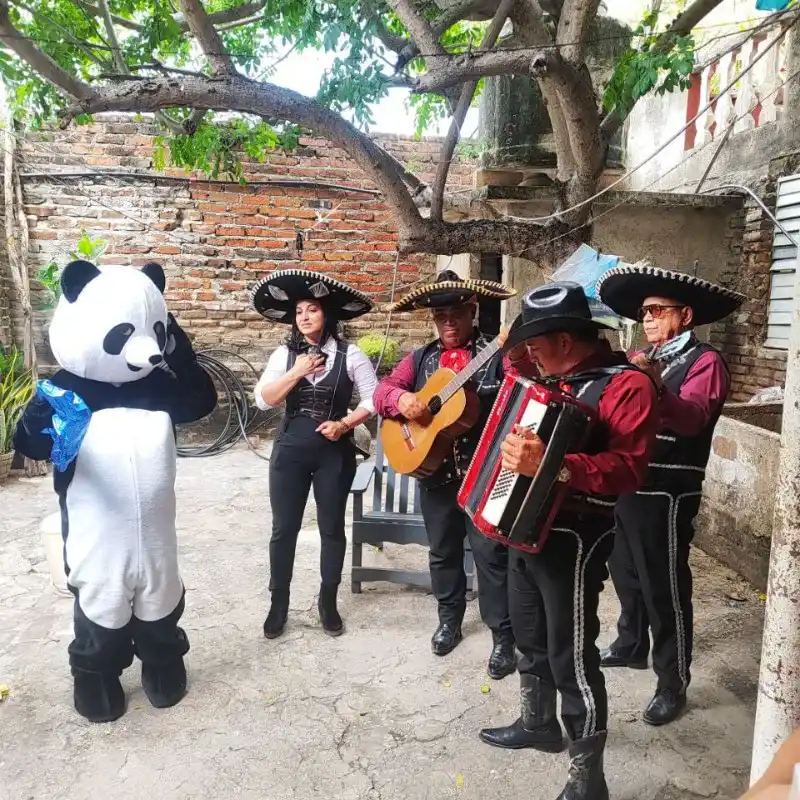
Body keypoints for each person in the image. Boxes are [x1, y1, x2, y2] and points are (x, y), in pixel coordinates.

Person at [477, 282, 660, 800]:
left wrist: (553, 466)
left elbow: (628, 470)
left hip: (576, 537)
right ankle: (539, 724)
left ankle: (588, 781)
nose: (528, 351)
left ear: (563, 337)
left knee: (571, 654)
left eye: (537, 340)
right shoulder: (550, 379)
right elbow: (512, 364)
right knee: (529, 636)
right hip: (523, 529)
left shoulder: (628, 385)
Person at [596, 263, 746, 726]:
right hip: (628, 481)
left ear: (686, 315)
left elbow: (692, 418)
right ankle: (630, 642)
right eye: (644, 312)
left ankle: (672, 680)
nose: (648, 319)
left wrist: (653, 383)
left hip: (668, 490)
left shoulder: (706, 363)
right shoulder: (642, 357)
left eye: (658, 310)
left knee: (665, 586)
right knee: (623, 568)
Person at [373, 270, 531, 680]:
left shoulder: (497, 353)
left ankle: (503, 636)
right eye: (440, 315)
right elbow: (380, 392)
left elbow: (526, 393)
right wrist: (402, 399)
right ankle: (449, 620)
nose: (448, 322)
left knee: (491, 558)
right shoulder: (420, 359)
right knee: (442, 552)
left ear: (472, 311)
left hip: (484, 475)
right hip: (437, 475)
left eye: (456, 313)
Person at [251, 269, 377, 639]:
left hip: (333, 454)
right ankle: (279, 603)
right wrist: (297, 371)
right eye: (299, 311)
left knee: (332, 529)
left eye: (313, 310)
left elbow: (375, 398)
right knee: (283, 529)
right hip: (290, 450)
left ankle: (328, 601)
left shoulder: (351, 355)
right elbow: (263, 399)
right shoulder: (284, 354)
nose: (304, 317)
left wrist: (346, 423)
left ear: (328, 315)